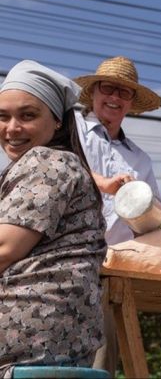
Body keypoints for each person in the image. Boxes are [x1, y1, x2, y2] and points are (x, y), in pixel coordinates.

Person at [0, 60, 107, 378]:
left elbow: (4, 247)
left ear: (57, 122)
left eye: (28, 115)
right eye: (3, 117)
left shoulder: (49, 161)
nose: (12, 128)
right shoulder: (45, 164)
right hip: (61, 339)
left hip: (33, 336)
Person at [73, 56, 161, 375]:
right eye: (108, 88)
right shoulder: (71, 130)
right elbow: (56, 169)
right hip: (66, 261)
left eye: (124, 93)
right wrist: (103, 183)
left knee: (99, 362)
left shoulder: (141, 159)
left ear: (131, 103)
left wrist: (143, 206)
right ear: (94, 92)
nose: (114, 97)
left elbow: (153, 222)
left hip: (112, 269)